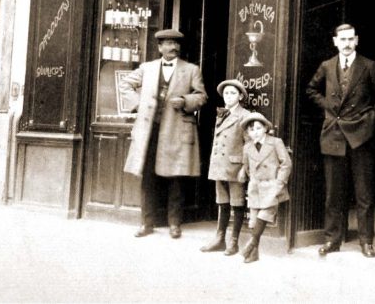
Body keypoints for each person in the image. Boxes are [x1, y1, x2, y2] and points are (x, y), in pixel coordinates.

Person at [306, 23, 375, 258]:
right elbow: (311, 89)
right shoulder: (327, 65)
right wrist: (328, 107)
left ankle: (366, 241)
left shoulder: (369, 66)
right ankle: (333, 240)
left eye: (350, 39)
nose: (346, 44)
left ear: (357, 40)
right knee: (333, 193)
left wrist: (369, 120)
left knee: (364, 193)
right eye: (342, 40)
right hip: (333, 134)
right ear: (335, 42)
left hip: (361, 136)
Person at [121, 28, 208, 240]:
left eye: (176, 44)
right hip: (151, 131)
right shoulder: (147, 68)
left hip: (177, 130)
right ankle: (146, 223)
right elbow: (125, 85)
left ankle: (174, 224)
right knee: (148, 178)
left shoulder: (191, 70)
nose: (173, 47)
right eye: (168, 43)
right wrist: (139, 105)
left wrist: (186, 101)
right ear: (160, 47)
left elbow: (202, 96)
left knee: (175, 180)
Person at [200, 79, 251, 255]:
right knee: (222, 202)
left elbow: (249, 144)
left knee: (237, 203)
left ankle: (233, 241)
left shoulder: (244, 116)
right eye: (226, 93)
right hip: (220, 166)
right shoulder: (221, 114)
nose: (229, 97)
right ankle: (219, 238)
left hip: (235, 167)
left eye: (233, 93)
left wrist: (245, 167)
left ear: (240, 96)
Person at [238, 111, 292, 264]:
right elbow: (247, 167)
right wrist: (252, 179)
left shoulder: (275, 142)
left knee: (265, 214)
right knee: (255, 220)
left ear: (265, 128)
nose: (255, 132)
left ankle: (252, 242)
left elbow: (286, 164)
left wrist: (279, 182)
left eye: (258, 128)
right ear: (248, 132)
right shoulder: (247, 147)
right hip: (255, 187)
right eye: (251, 129)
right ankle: (254, 253)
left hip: (272, 186)